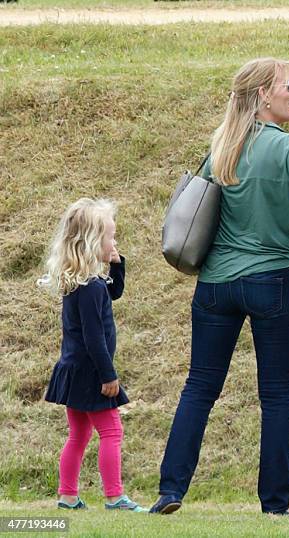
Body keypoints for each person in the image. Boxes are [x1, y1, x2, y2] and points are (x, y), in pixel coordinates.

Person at [150, 57, 289, 516]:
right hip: (272, 282)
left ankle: (170, 492)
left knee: (199, 387)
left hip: (215, 285)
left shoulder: (221, 147)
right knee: (276, 395)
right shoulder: (288, 147)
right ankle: (275, 504)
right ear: (263, 96)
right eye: (288, 86)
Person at [40, 198, 147, 512]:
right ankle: (114, 497)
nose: (114, 242)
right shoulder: (90, 288)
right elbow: (94, 338)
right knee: (112, 431)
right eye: (110, 237)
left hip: (73, 370)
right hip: (92, 373)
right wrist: (108, 375)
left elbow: (115, 291)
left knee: (79, 434)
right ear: (90, 243)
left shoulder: (83, 283)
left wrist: (116, 263)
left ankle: (67, 495)